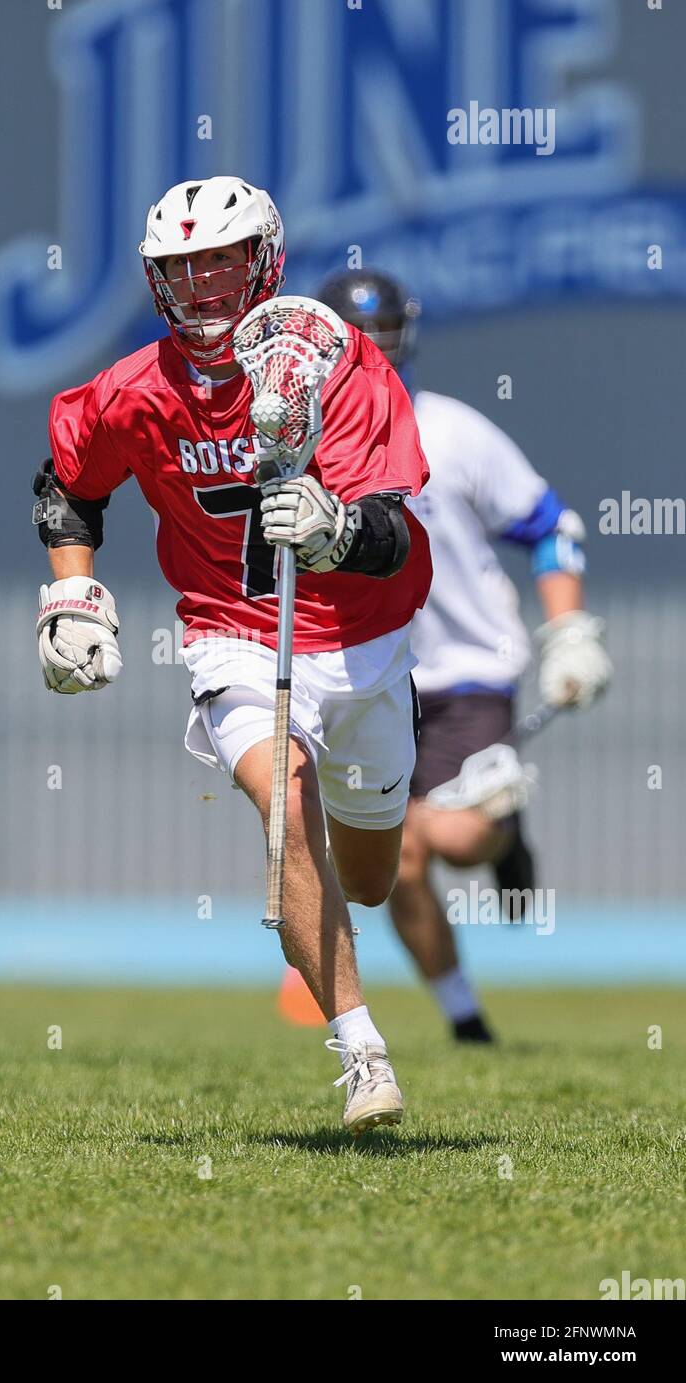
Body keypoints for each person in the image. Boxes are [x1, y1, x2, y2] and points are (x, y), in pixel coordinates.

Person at [33, 178, 432, 1131]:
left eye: (219, 258)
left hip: (366, 640)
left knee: (372, 876)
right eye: (179, 265)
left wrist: (337, 531)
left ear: (262, 258)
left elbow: (400, 532)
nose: (202, 282)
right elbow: (69, 479)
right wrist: (71, 587)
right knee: (281, 807)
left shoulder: (340, 364)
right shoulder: (137, 389)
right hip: (236, 632)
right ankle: (363, 1052)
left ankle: (357, 870)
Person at [285, 268, 610, 1043]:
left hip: (464, 674)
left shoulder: (454, 432)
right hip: (364, 672)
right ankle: (465, 1018)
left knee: (451, 840)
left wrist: (568, 632)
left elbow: (549, 523)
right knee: (393, 867)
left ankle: (502, 832)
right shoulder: (297, 446)